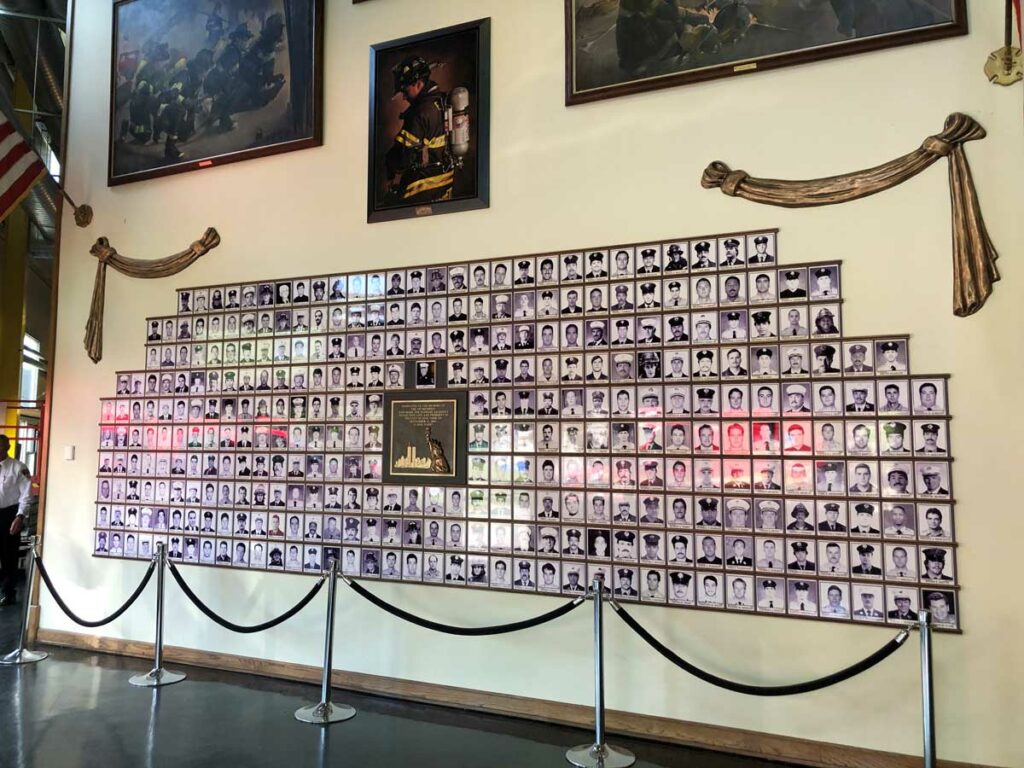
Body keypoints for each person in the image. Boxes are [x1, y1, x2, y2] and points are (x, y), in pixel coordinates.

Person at [0, 434, 31, 605]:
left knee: (8, 555)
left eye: (0, 447)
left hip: (9, 514)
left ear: (7, 448)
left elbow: (26, 495)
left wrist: (20, 516)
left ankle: (8, 592)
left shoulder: (18, 468)